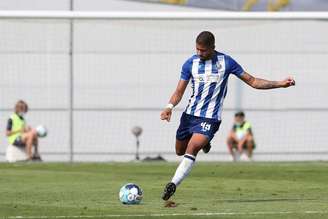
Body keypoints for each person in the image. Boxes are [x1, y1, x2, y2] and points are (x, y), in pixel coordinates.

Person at [160, 31, 295, 201]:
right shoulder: (190, 64)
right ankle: (205, 143)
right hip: (189, 116)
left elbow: (253, 81)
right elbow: (179, 91)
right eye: (197, 50)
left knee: (192, 148)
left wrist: (280, 84)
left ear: (213, 47)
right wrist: (169, 107)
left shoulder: (226, 62)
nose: (200, 53)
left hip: (210, 118)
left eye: (203, 50)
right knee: (179, 151)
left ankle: (173, 184)